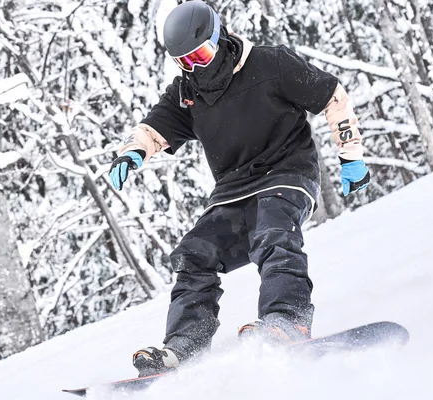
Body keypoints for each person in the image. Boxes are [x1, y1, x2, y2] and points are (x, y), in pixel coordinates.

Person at [108, 0, 370, 376]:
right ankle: (184, 344)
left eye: (200, 54)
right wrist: (131, 153)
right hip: (233, 192)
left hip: (287, 174)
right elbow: (154, 129)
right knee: (194, 255)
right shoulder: (187, 92)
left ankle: (287, 320)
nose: (195, 67)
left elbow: (332, 96)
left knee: (273, 233)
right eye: (185, 61)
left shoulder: (270, 65)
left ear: (220, 38)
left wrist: (351, 156)